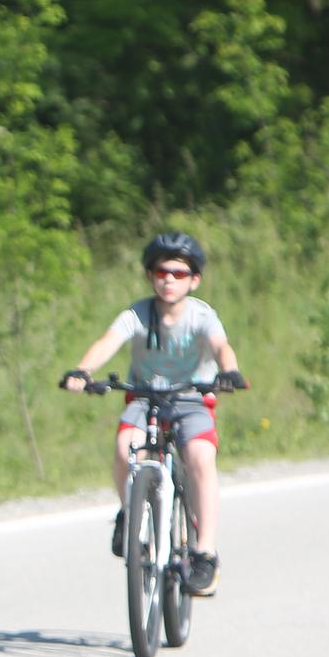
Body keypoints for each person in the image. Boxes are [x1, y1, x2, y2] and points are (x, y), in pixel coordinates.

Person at [60, 232, 246, 595]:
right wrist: (82, 371)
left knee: (200, 456)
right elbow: (107, 342)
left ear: (194, 280)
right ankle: (128, 513)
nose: (169, 279)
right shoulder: (138, 314)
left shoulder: (202, 315)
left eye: (179, 273)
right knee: (123, 448)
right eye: (161, 272)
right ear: (150, 276)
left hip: (192, 398)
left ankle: (205, 552)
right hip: (145, 397)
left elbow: (221, 346)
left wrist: (229, 372)